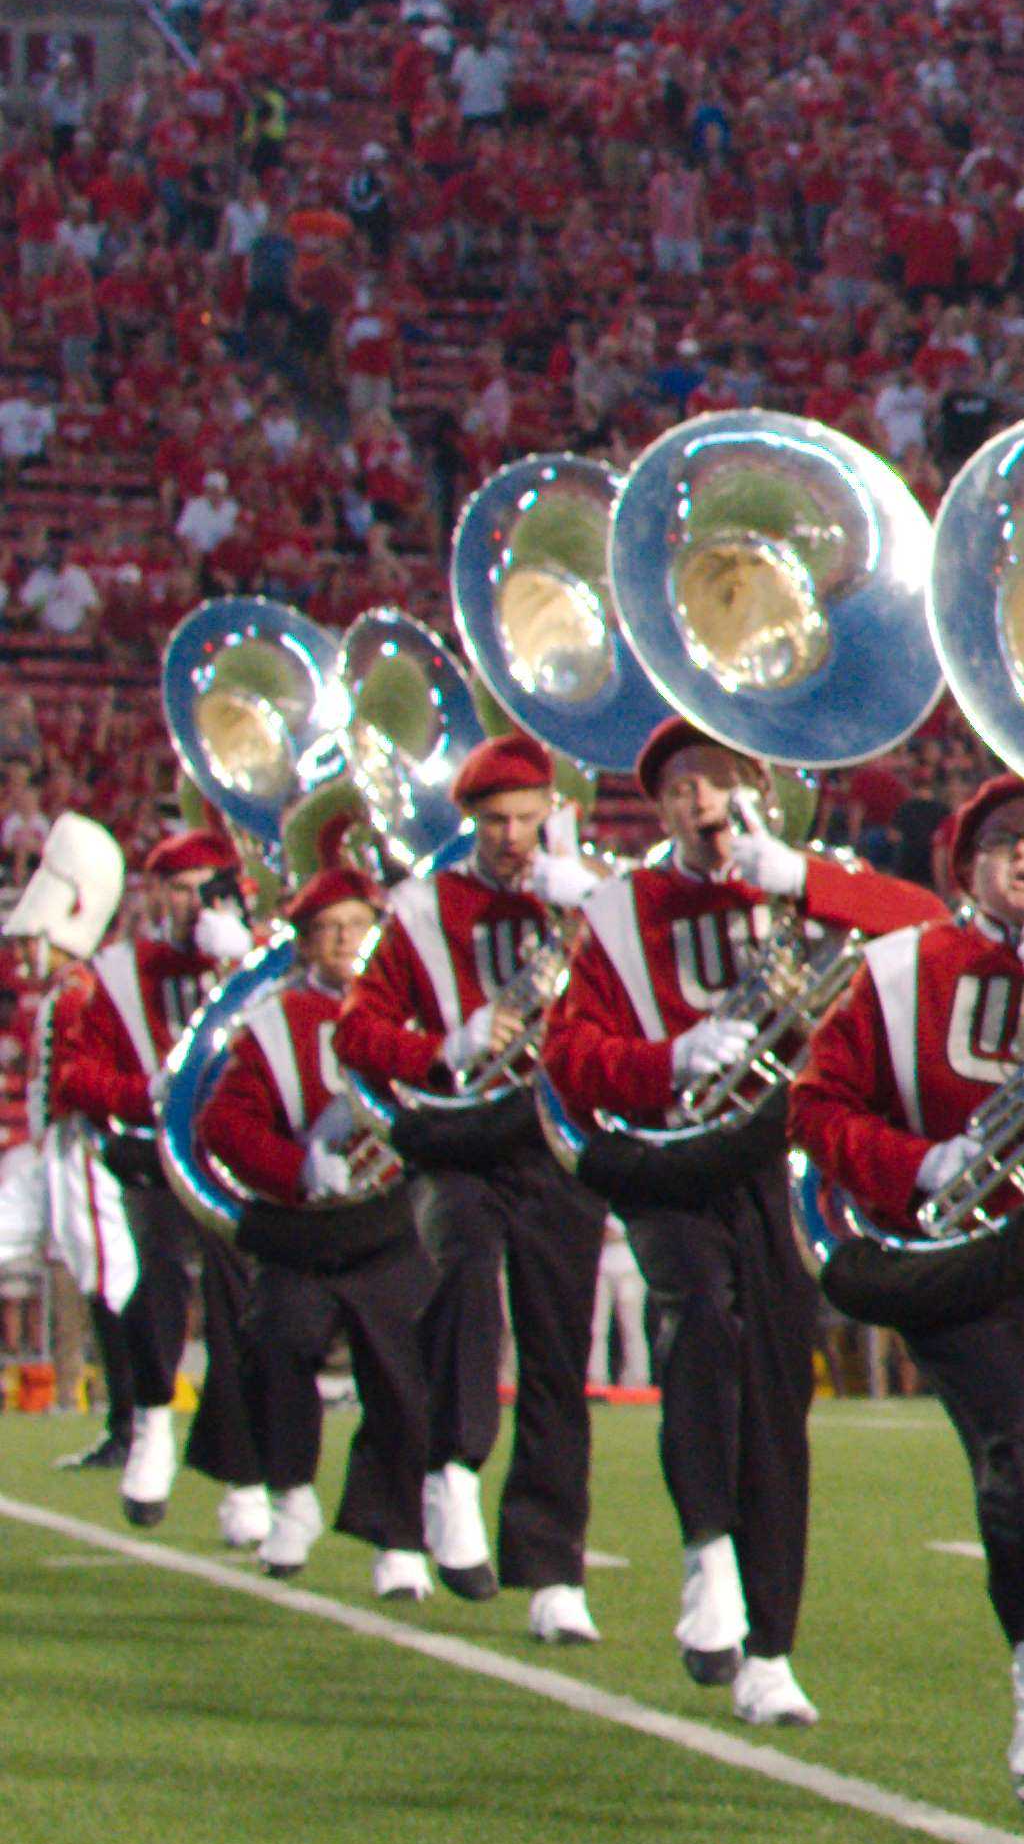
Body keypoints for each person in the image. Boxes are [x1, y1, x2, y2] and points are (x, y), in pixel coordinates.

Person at [788, 780, 1024, 1828]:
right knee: (1023, 1452)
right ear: (964, 865)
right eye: (1007, 843)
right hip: (962, 1252)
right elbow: (816, 1107)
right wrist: (919, 1164)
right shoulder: (897, 969)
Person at [540, 724, 941, 1724]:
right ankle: (706, 1556)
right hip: (674, 1164)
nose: (701, 801)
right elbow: (568, 1058)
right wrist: (668, 1059)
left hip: (779, 1160)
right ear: (659, 809)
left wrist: (801, 875)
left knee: (777, 1391)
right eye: (678, 788)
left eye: (718, 779)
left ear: (756, 785)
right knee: (701, 1331)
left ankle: (772, 1647)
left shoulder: (804, 885)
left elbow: (929, 924)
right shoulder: (622, 910)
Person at [326, 735, 607, 1617]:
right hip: (454, 1137)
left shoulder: (594, 902)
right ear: (470, 823)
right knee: (461, 1279)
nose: (514, 837)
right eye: (495, 822)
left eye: (528, 819)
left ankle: (553, 1571)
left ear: (554, 814)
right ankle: (451, 1471)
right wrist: (441, 1046)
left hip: (554, 1139)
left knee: (560, 1354)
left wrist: (600, 916)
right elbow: (354, 1034)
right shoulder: (420, 911)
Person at [200, 865, 426, 1585]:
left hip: (387, 1223)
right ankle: (290, 1495)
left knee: (402, 1380)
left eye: (356, 926)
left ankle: (398, 1537)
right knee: (276, 1351)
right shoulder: (270, 1024)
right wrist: (297, 1167)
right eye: (326, 929)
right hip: (301, 1231)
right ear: (302, 944)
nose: (341, 940)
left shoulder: (412, 1009)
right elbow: (223, 1122)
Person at [44, 823, 244, 1523]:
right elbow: (75, 1073)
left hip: (239, 1158)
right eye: (180, 891)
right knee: (153, 1281)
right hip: (153, 1158)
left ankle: (243, 1471)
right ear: (156, 894)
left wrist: (245, 967)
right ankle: (152, 1424)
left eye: (206, 890)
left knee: (242, 1308)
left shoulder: (252, 964)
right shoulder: (116, 972)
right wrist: (142, 1096)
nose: (194, 906)